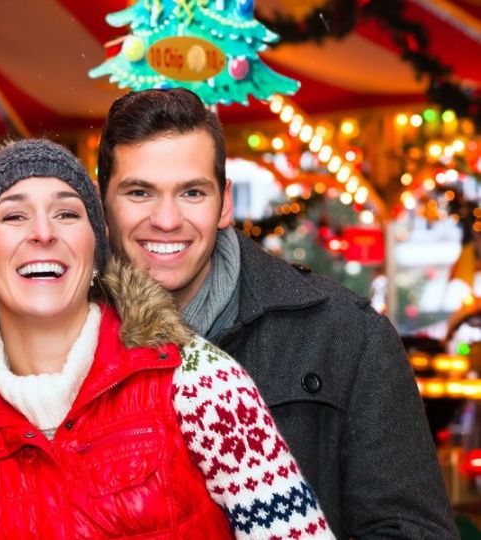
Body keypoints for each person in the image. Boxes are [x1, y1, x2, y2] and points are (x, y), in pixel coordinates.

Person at [0, 138, 330, 539]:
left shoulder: (196, 382)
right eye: (15, 215)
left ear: (96, 252)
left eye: (67, 213)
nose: (43, 232)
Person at [97, 88, 457, 539]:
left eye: (192, 192)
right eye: (139, 192)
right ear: (102, 206)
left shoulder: (346, 335)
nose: (166, 219)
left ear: (225, 202)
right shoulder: (68, 343)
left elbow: (414, 530)